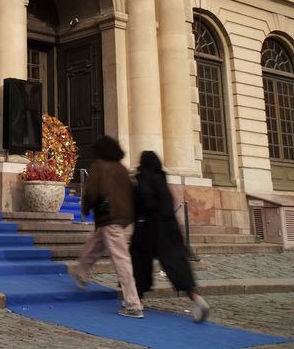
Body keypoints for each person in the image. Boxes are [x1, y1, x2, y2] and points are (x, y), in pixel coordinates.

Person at [130, 150, 210, 323]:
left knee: (140, 262)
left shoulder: (143, 178)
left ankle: (137, 299)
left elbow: (144, 203)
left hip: (149, 228)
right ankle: (196, 298)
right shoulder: (161, 178)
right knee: (176, 264)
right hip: (170, 227)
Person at [70, 135, 144, 318]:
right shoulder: (122, 169)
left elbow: (92, 192)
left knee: (121, 259)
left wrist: (86, 208)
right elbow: (131, 192)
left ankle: (133, 304)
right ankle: (81, 272)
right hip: (120, 218)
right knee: (94, 246)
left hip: (109, 216)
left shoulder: (99, 167)